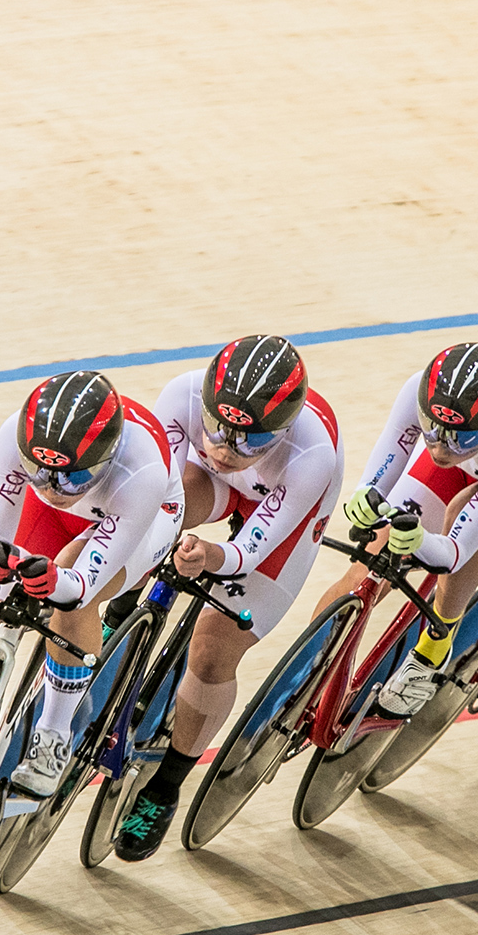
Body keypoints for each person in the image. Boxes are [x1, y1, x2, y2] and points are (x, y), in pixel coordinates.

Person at [112, 335, 344, 861]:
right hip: (211, 486)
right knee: (150, 523)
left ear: (280, 433)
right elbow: (158, 500)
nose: (223, 448)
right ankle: (121, 620)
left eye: (247, 443)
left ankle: (166, 785)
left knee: (214, 651)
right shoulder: (182, 396)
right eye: (216, 429)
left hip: (281, 515)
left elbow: (248, 549)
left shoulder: (312, 454)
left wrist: (211, 556)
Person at [0, 371, 183, 798]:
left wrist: (54, 580)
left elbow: (81, 585)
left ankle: (53, 734)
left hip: (140, 517)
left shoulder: (142, 469)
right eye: (38, 471)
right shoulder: (17, 442)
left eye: (69, 477)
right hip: (66, 513)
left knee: (68, 588)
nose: (51, 488)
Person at [327, 342, 478, 717]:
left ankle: (435, 647)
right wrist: (367, 494)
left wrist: (421, 540)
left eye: (459, 436)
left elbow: (455, 550)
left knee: (462, 518)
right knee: (372, 558)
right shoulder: (419, 392)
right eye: (433, 428)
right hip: (475, 461)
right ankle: (313, 670)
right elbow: (391, 455)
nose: (441, 446)